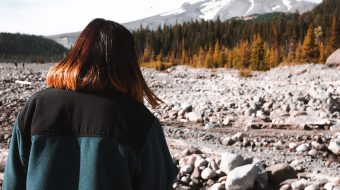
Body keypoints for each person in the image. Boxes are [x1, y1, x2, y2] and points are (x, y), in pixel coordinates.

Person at [3, 18, 178, 190]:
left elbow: (13, 183)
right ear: (129, 64)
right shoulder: (140, 122)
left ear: (78, 53)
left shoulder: (37, 107)